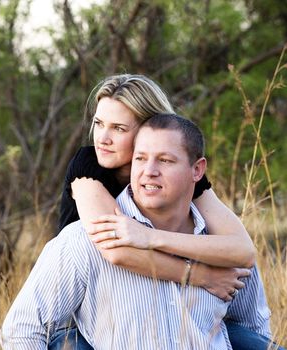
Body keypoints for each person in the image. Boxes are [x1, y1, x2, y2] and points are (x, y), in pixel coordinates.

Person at [0, 114, 276, 349]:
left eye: (165, 160)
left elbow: (251, 332)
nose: (149, 171)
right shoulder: (83, 241)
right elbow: (22, 331)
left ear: (197, 170)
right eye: (140, 158)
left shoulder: (223, 250)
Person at [53, 74, 270, 349]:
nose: (103, 138)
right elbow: (116, 249)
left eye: (119, 128)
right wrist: (201, 276)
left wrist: (154, 239)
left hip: (173, 312)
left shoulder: (178, 173)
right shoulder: (88, 166)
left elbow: (243, 250)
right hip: (89, 321)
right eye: (98, 124)